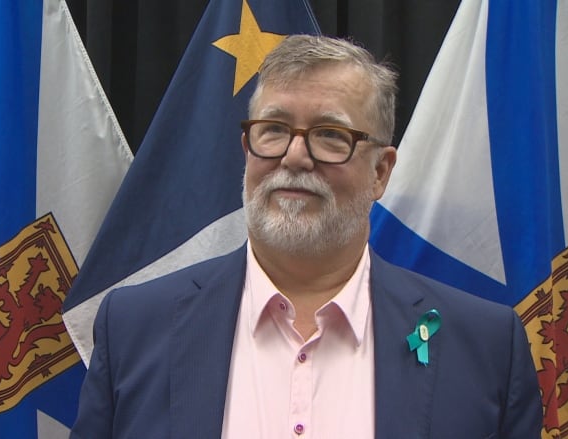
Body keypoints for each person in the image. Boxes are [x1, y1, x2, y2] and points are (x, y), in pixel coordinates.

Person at [70, 35, 542, 438]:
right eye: (273, 130)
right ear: (247, 150)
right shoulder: (134, 327)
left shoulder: (484, 346)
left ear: (381, 171)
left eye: (330, 135)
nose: (294, 157)